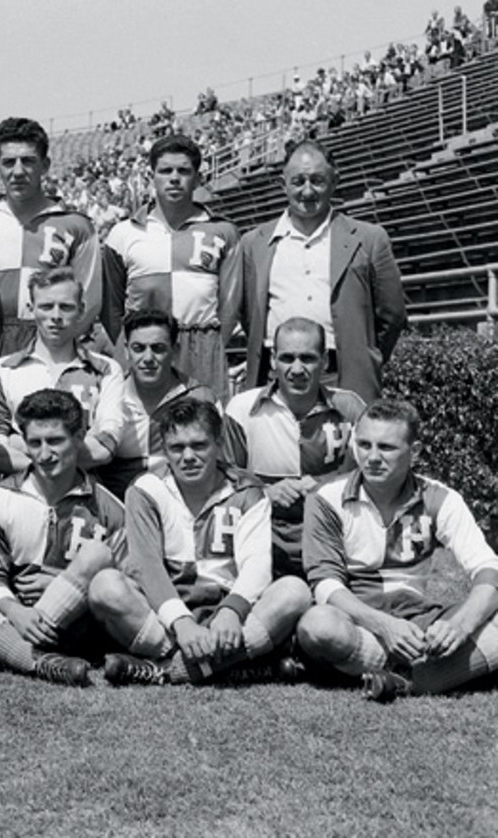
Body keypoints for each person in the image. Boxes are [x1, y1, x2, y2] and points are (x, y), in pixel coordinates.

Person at [91, 399, 311, 686]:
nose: (188, 456)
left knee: (294, 591)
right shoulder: (146, 489)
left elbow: (256, 565)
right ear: (164, 450)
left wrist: (232, 611)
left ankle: (168, 671)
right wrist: (181, 623)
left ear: (219, 444)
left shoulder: (247, 489)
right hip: (166, 619)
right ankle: (233, 666)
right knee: (104, 586)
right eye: (177, 448)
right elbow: (148, 569)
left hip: (229, 620)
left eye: (199, 445)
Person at [296, 399, 498, 701]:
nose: (372, 457)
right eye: (364, 445)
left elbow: (487, 568)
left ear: (413, 453)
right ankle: (437, 674)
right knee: (317, 625)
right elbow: (325, 583)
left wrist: (460, 626)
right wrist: (384, 625)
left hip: (419, 624)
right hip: (357, 623)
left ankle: (399, 678)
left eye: (386, 448)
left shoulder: (440, 498)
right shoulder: (327, 498)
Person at [0, 390, 125, 685]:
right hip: (11, 618)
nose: (44, 454)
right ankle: (35, 659)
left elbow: (124, 583)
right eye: (35, 443)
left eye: (55, 441)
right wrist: (15, 611)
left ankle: (1, 654)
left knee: (96, 555)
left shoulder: (108, 508)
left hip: (75, 627)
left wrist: (63, 581)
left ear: (79, 436)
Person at [238, 139, 406, 403]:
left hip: (344, 377)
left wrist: (365, 355)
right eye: (298, 181)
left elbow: (392, 314)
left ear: (334, 181)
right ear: (283, 185)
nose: (307, 191)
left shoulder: (369, 239)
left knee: (345, 445)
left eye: (317, 180)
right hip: (276, 378)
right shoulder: (253, 243)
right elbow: (251, 316)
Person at [224, 318, 365, 578]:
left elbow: (370, 481)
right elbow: (224, 484)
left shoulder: (350, 408)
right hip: (264, 542)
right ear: (273, 359)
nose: (297, 369)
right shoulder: (241, 409)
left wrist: (325, 488)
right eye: (287, 358)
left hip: (333, 539)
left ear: (325, 360)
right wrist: (265, 492)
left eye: (308, 358)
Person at [102, 135, 240, 397]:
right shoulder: (122, 234)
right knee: (143, 432)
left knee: (202, 430)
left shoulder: (224, 232)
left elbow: (231, 304)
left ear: (198, 178)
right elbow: (111, 306)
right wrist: (132, 344)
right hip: (146, 347)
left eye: (183, 171)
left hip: (202, 347)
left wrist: (211, 346)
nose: (174, 178)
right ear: (152, 176)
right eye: (165, 170)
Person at [0, 117, 101, 368]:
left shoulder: (76, 225)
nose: (18, 171)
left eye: (28, 161)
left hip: (51, 343)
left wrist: (57, 339)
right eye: (8, 162)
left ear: (45, 165)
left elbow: (89, 302)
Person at [0, 267, 124, 477]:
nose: (56, 316)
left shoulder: (107, 370)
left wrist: (21, 443)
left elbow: (105, 447)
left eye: (66, 307)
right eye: (47, 306)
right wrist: (67, 454)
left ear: (81, 309)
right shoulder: (2, 371)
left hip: (84, 497)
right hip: (21, 492)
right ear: (31, 309)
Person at [99, 309, 220, 498]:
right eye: (138, 348)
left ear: (175, 349)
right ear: (126, 350)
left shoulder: (201, 398)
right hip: (118, 509)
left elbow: (223, 465)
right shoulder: (108, 397)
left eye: (158, 348)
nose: (148, 358)